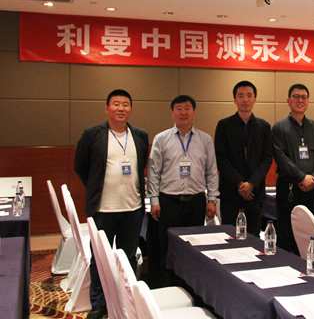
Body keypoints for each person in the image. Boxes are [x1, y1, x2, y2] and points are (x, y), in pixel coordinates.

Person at [74, 89, 149, 319]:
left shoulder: (140, 136)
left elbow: (141, 166)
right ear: (107, 109)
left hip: (133, 209)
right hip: (103, 209)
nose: (121, 108)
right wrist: (96, 187)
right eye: (116, 104)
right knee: (99, 259)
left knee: (128, 257)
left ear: (131, 110)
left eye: (125, 104)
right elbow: (80, 166)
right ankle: (99, 303)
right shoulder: (92, 134)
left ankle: (126, 298)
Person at [147, 95, 219, 286]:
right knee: (168, 248)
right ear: (173, 113)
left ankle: (190, 287)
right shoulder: (161, 139)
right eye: (178, 108)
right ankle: (168, 287)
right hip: (168, 202)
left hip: (196, 202)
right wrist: (154, 200)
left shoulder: (205, 140)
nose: (183, 112)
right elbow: (154, 172)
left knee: (193, 248)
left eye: (187, 108)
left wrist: (212, 200)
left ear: (194, 112)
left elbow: (212, 172)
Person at [272, 84, 314, 253]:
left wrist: (313, 178)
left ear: (308, 101)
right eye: (296, 96)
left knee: (310, 232)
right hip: (288, 188)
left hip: (311, 188)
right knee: (286, 233)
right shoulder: (279, 128)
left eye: (304, 97)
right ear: (288, 101)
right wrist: (302, 177)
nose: (300, 100)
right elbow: (280, 157)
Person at [215, 81, 273, 237]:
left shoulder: (264, 127)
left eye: (249, 95)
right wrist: (240, 184)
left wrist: (251, 184)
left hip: (255, 193)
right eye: (240, 96)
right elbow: (221, 159)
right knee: (229, 236)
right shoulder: (224, 125)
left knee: (253, 236)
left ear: (255, 99)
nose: (245, 99)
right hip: (231, 192)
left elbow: (267, 158)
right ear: (234, 100)